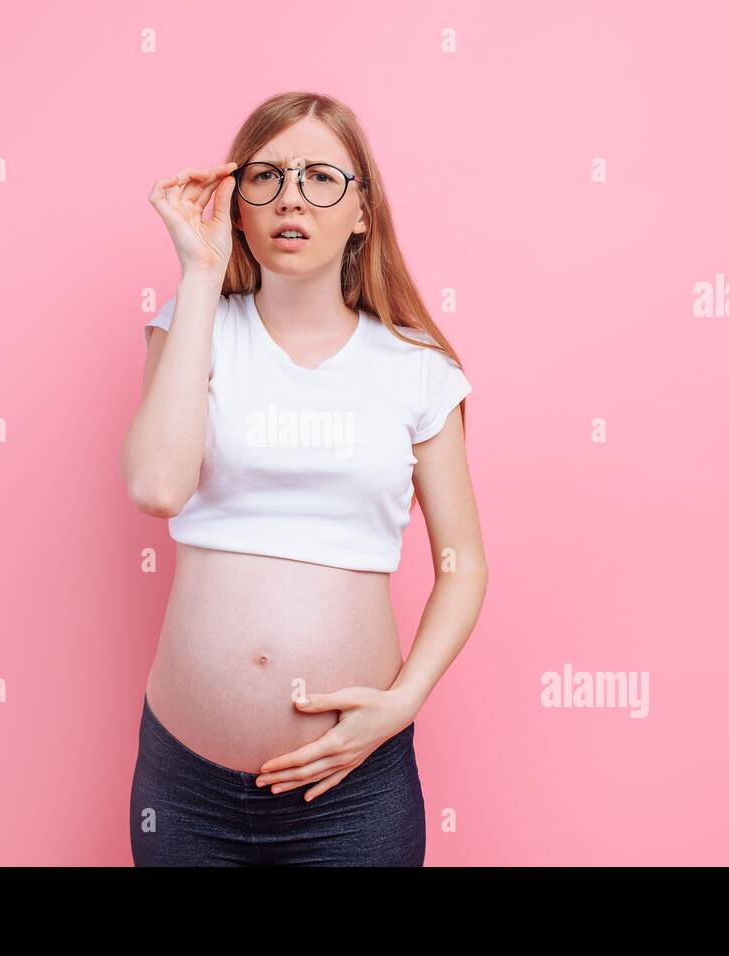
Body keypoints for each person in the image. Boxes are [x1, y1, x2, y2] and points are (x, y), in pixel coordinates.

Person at [121, 92, 487, 866]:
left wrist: (401, 704)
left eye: (321, 176)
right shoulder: (194, 325)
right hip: (186, 782)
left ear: (362, 210)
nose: (292, 196)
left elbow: (464, 565)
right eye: (267, 177)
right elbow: (157, 487)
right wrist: (198, 272)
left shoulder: (418, 369)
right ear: (239, 205)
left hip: (351, 786)